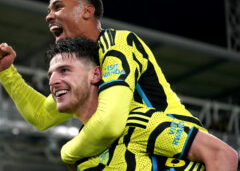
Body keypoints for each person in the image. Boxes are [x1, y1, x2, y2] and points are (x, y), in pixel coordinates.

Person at [0, 0, 238, 170]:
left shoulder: (118, 44)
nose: (48, 16)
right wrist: (7, 73)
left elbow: (109, 124)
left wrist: (68, 152)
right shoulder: (82, 70)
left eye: (57, 7)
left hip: (173, 149)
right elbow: (41, 115)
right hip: (126, 147)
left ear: (87, 11)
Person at [45, 37, 236, 170]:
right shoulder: (81, 152)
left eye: (64, 70)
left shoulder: (137, 121)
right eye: (50, 75)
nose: (53, 81)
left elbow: (222, 154)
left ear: (95, 74)